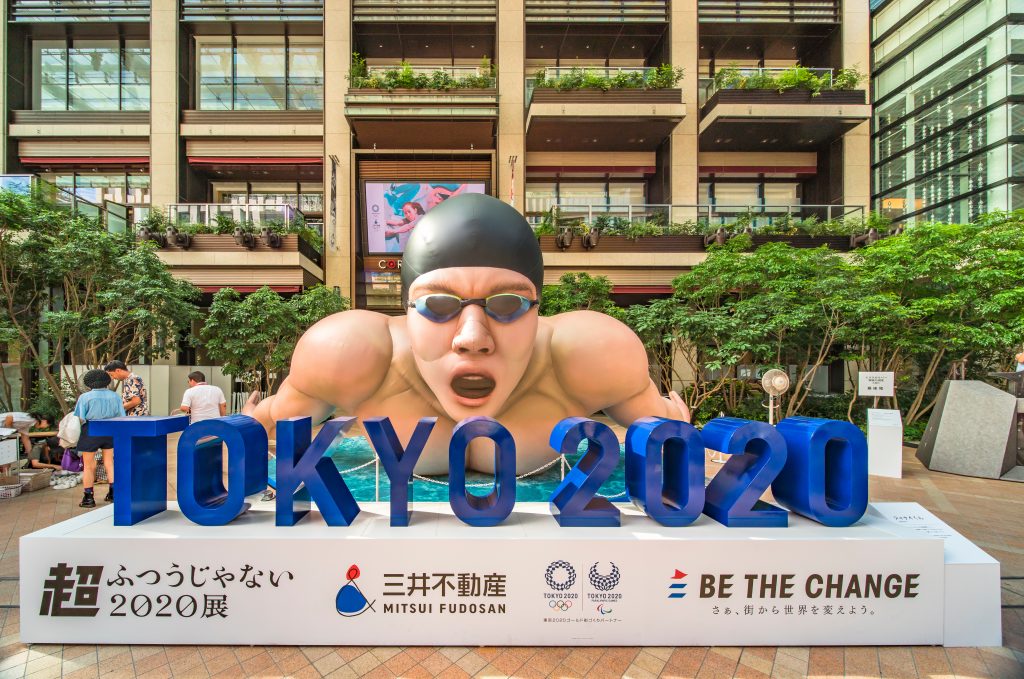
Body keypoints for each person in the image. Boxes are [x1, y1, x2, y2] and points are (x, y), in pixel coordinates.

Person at [245, 193, 690, 475]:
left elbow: (664, 428)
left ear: (539, 311)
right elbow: (271, 420)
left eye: (507, 305)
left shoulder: (590, 354)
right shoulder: (351, 354)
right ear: (406, 311)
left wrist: (672, 418)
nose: (472, 338)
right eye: (438, 306)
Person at [73, 369, 124, 507]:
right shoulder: (115, 396)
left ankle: (88, 498)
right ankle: (113, 493)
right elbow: (121, 415)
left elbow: (81, 417)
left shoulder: (85, 397)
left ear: (89, 383)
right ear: (107, 381)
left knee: (89, 466)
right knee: (109, 462)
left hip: (91, 429)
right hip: (111, 429)